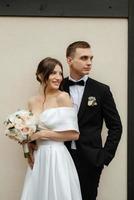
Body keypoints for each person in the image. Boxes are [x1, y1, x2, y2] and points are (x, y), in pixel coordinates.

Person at [62, 41, 122, 200]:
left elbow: (116, 126)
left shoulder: (101, 90)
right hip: (61, 157)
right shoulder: (58, 86)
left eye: (91, 58)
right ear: (69, 60)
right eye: (83, 58)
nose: (89, 62)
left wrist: (104, 156)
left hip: (90, 160)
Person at [20, 57, 82, 200]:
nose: (58, 77)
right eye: (53, 73)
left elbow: (74, 135)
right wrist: (28, 145)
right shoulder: (32, 101)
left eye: (60, 73)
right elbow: (28, 131)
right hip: (38, 157)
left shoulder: (63, 97)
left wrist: (43, 134)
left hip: (57, 156)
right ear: (41, 75)